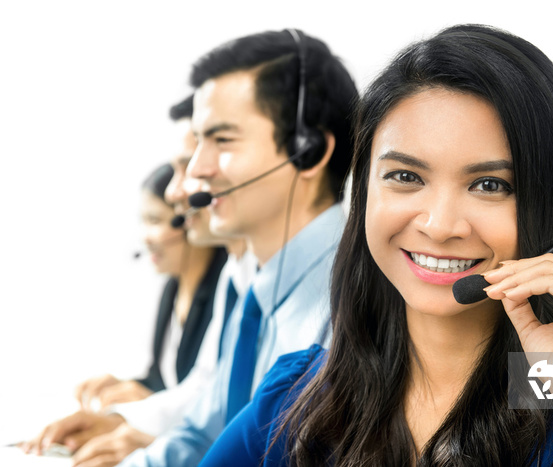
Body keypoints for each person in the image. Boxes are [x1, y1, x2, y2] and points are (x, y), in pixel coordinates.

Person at [198, 24, 553, 466]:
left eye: (489, 185)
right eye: (405, 175)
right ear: (363, 190)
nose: (439, 226)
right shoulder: (295, 394)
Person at [118, 29, 357, 466]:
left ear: (307, 151)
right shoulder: (256, 287)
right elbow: (204, 430)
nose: (196, 170)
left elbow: (524, 416)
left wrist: (530, 361)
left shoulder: (360, 294)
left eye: (222, 140)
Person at [53, 96, 258, 467]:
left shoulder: (239, 278)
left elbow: (226, 410)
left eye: (156, 219)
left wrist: (139, 424)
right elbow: (205, 389)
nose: (180, 194)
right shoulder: (230, 277)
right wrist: (123, 415)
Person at [21, 127, 231, 460]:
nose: (146, 236)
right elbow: (174, 381)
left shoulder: (227, 285)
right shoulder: (173, 290)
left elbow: (214, 397)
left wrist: (140, 406)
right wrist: (127, 387)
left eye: (155, 220)